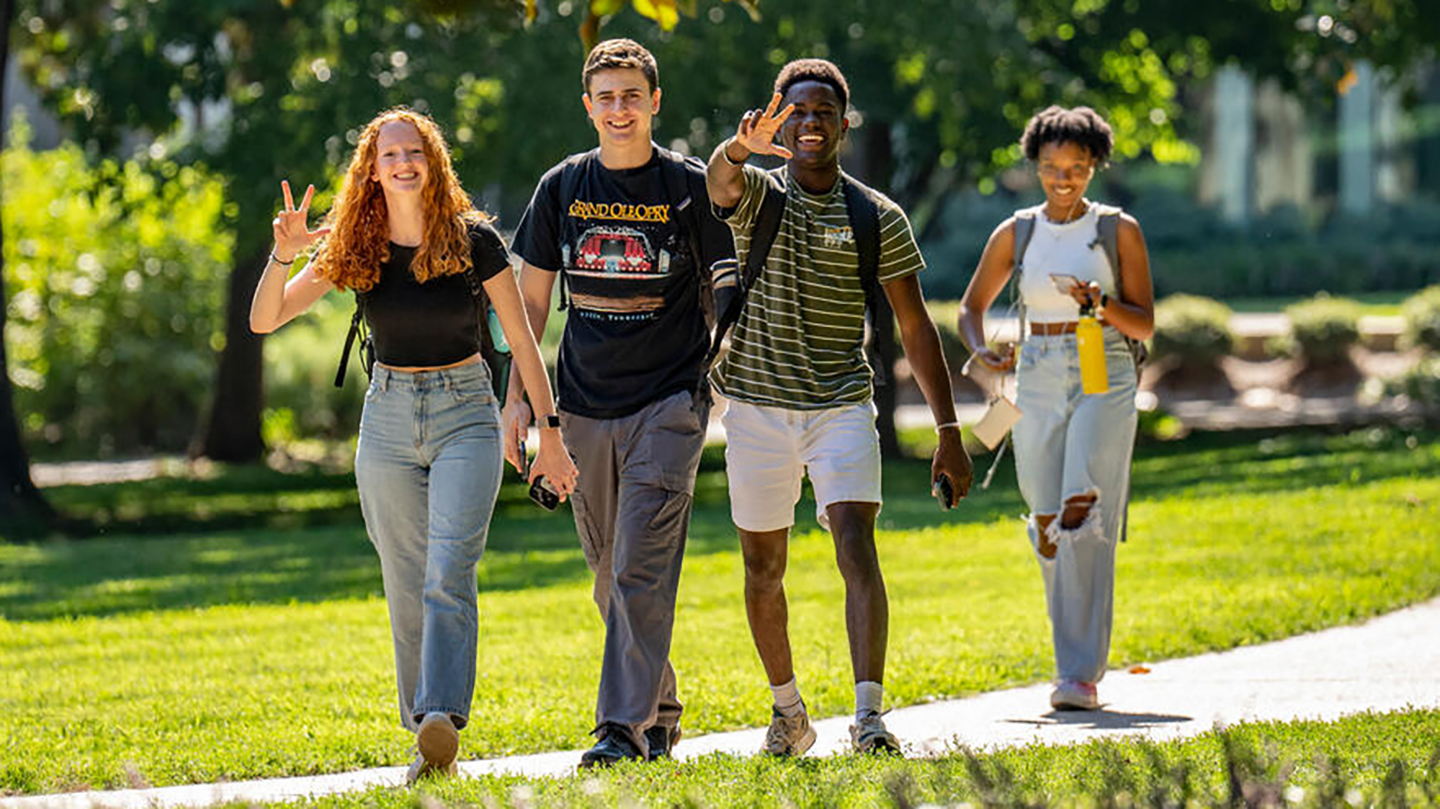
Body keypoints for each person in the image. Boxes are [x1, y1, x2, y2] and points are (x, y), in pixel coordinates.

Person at [249, 108, 577, 782]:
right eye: (389, 153)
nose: (402, 163)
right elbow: (266, 318)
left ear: (433, 163)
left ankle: (441, 715)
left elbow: (522, 341)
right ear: (371, 168)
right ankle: (425, 730)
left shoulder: (473, 239)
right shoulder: (354, 241)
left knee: (449, 569)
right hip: (389, 417)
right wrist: (284, 251)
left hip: (466, 411)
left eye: (414, 152)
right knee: (405, 576)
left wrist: (550, 434)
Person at [705, 58, 974, 756]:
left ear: (844, 123)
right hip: (757, 409)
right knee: (763, 568)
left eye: (824, 111)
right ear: (780, 119)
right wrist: (739, 146)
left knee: (856, 544)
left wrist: (948, 431)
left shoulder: (874, 214)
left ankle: (870, 717)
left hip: (841, 407)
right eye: (797, 111)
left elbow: (915, 326)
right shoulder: (760, 195)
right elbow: (718, 181)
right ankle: (788, 711)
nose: (811, 123)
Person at [503, 39, 736, 768]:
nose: (619, 108)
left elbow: (726, 294)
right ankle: (659, 708)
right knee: (607, 571)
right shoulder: (561, 187)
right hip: (579, 410)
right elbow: (529, 304)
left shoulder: (690, 187)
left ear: (655, 101)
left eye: (631, 94)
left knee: (640, 566)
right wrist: (521, 404)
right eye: (605, 96)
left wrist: (720, 375)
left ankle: (619, 730)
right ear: (588, 106)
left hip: (669, 402)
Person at [957, 105, 1154, 711]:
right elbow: (969, 309)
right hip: (1037, 370)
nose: (1063, 178)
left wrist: (1098, 303)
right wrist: (981, 350)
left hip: (1104, 365)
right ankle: (1069, 656)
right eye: (1050, 167)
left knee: (1081, 508)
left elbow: (1144, 322)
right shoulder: (1016, 232)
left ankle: (1079, 674)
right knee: (1046, 521)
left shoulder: (1118, 229)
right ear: (1035, 166)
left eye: (1075, 166)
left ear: (1094, 164)